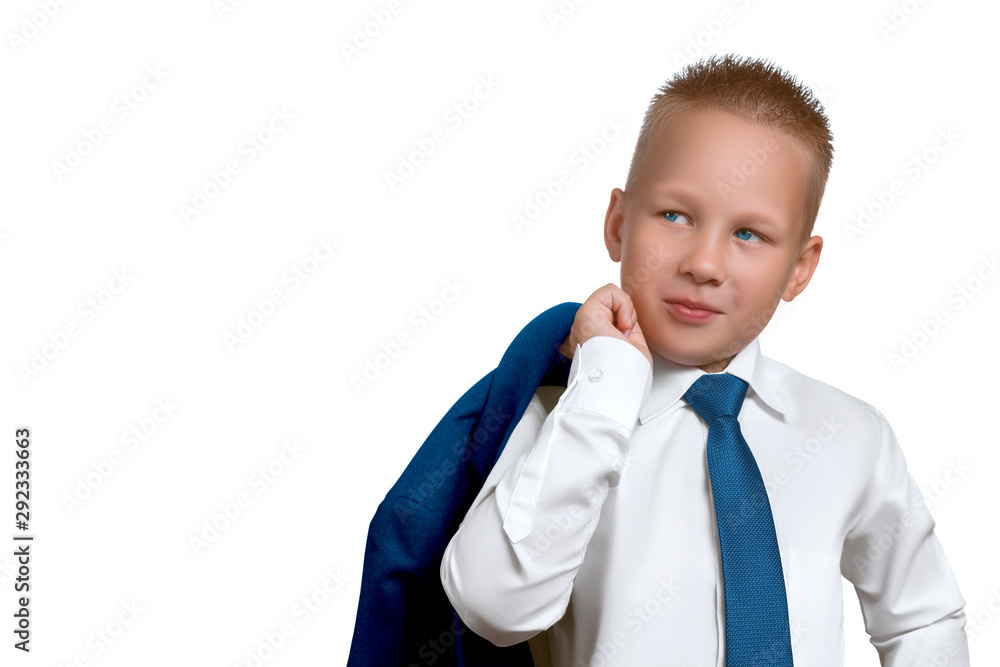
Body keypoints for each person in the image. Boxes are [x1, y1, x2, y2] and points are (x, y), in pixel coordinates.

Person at [439, 53, 970, 666]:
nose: (705, 264)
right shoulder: (562, 416)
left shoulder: (851, 435)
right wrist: (604, 392)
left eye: (749, 234)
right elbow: (495, 609)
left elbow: (923, 615)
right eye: (674, 215)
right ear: (617, 223)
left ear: (800, 267)